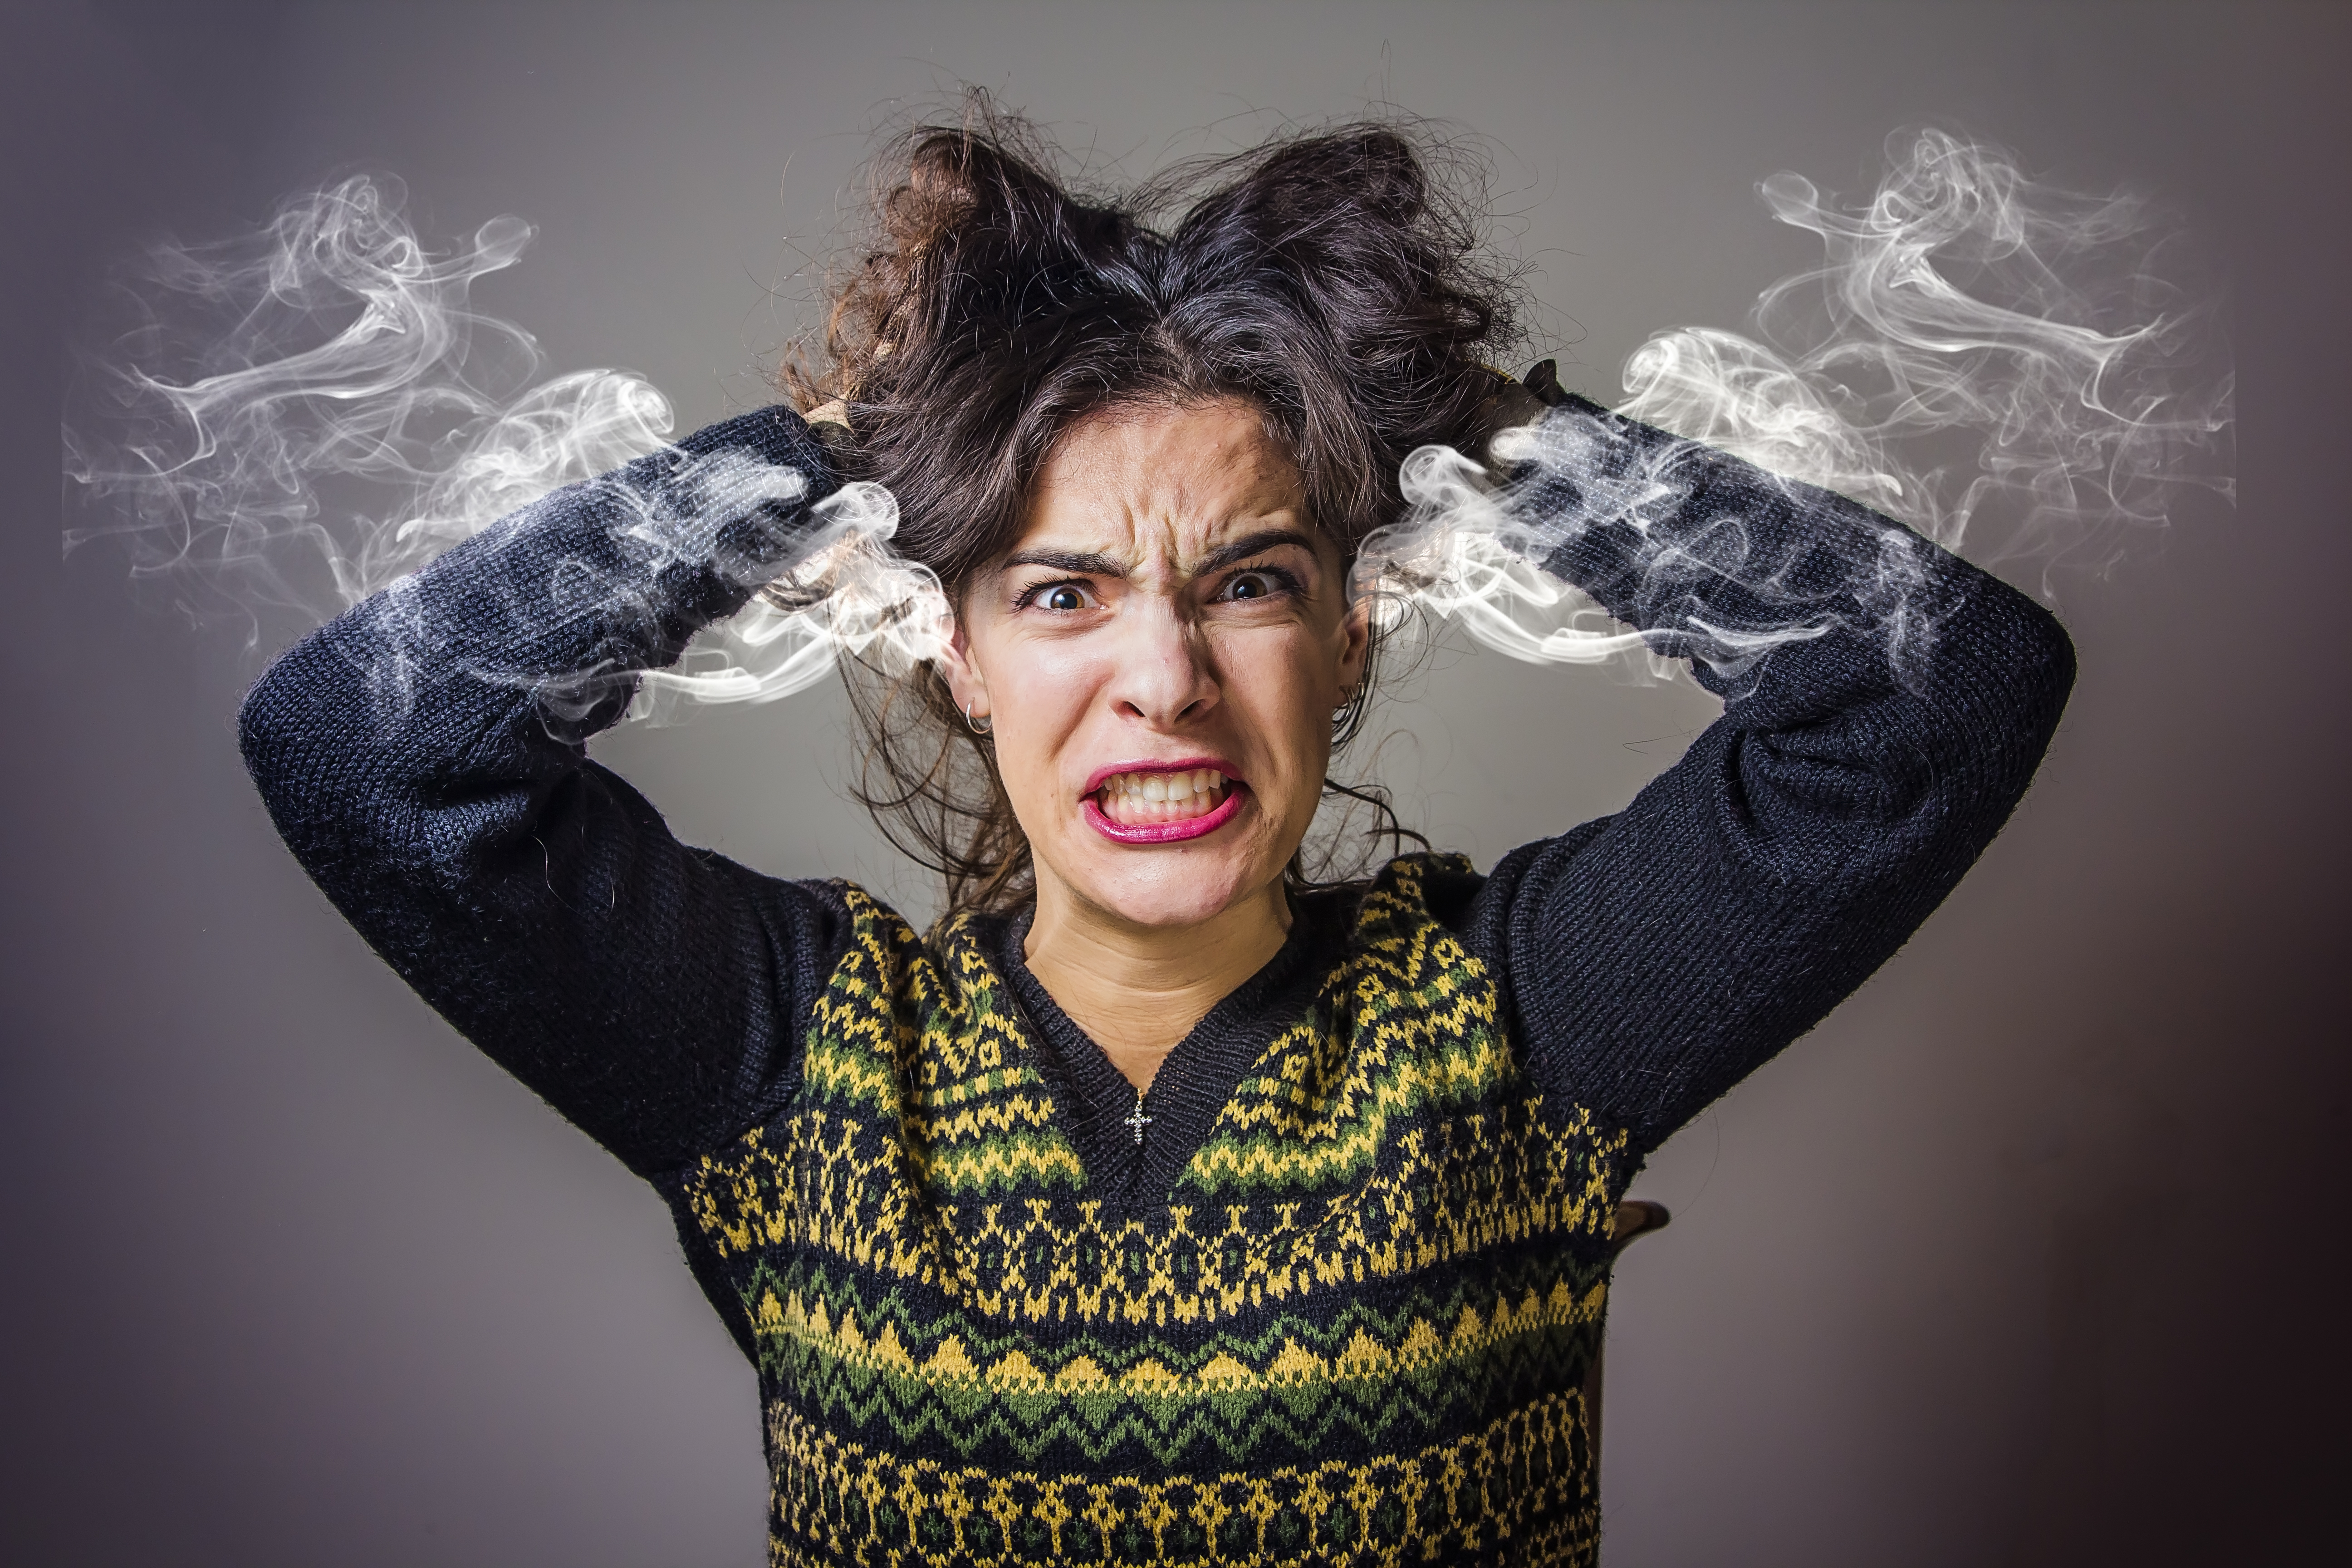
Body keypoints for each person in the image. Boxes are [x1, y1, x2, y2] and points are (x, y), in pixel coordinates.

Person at [238, 117, 2075, 1567]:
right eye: (1064, 593)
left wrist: (1476, 433)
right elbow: (365, 750)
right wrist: (844, 442)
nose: (1165, 679)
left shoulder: (1521, 1031)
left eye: (1251, 583)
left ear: (1349, 635)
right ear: (951, 650)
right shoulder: (796, 1073)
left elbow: (1942, 692)